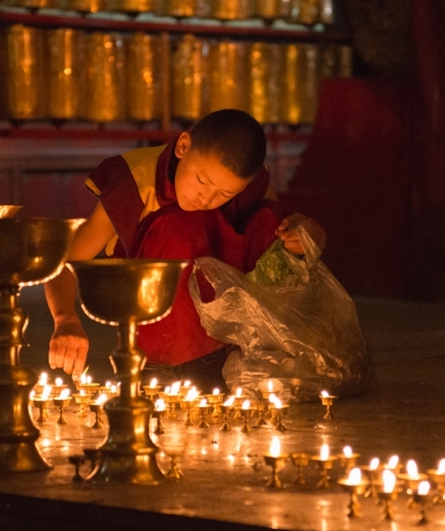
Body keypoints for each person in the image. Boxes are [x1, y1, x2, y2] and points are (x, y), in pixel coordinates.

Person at [44, 108, 326, 390]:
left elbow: (280, 239)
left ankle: (241, 354)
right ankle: (159, 364)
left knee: (269, 222)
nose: (207, 197)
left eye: (224, 194)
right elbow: (65, 261)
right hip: (147, 312)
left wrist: (309, 237)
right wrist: (66, 321)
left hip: (223, 327)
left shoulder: (246, 185)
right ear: (183, 146)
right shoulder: (136, 180)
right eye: (202, 181)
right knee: (177, 225)